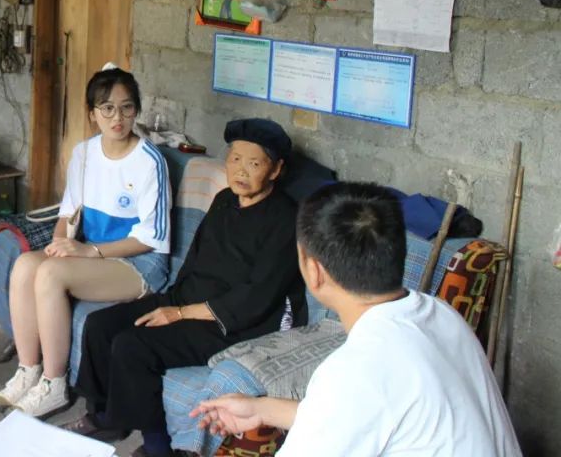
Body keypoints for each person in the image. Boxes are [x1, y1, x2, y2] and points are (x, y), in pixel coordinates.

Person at [194, 182, 521, 456]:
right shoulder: (439, 314)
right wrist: (261, 408)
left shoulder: (355, 370)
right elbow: (354, 413)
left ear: (314, 271)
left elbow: (357, 397)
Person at [65, 118, 306, 457]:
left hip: (233, 323)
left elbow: (257, 297)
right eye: (235, 159)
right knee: (100, 325)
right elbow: (195, 259)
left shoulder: (286, 219)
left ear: (276, 169)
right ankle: (107, 416)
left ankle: (157, 447)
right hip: (187, 299)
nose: (241, 170)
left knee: (134, 346)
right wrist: (172, 301)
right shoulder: (224, 200)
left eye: (254, 164)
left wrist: (179, 314)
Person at [0, 66, 171, 419]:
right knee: (26, 265)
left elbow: (152, 239)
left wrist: (88, 251)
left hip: (137, 263)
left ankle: (54, 383)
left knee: (51, 275)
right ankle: (28, 370)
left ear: (137, 110)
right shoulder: (84, 153)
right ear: (92, 114)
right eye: (107, 108)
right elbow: (69, 211)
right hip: (93, 254)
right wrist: (59, 244)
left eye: (127, 107)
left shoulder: (150, 162)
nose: (117, 118)